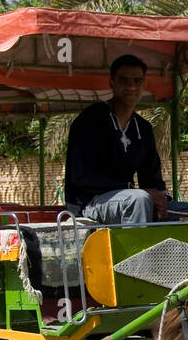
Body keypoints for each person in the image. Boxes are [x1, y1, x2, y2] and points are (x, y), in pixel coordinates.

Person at [64, 54, 170, 224]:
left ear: (144, 84)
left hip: (130, 198)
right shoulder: (90, 120)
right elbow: (81, 177)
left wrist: (161, 198)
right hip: (90, 203)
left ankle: (183, 251)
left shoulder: (143, 128)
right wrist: (130, 188)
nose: (131, 86)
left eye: (137, 81)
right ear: (112, 82)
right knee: (138, 200)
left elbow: (151, 178)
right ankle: (137, 251)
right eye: (124, 80)